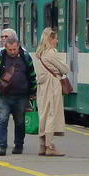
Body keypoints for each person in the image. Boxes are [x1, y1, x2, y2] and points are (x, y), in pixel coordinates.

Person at [0, 28, 37, 156]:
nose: (12, 52)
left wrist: (33, 92)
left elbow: (31, 75)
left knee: (20, 122)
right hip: (3, 95)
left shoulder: (26, 57)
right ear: (6, 48)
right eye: (10, 50)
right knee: (2, 120)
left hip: (21, 96)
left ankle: (19, 145)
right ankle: (2, 146)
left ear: (18, 46)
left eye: (14, 49)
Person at [33, 28, 69, 156]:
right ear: (50, 39)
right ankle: (50, 146)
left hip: (42, 87)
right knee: (51, 114)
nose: (57, 41)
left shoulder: (38, 54)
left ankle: (42, 145)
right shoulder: (51, 53)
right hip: (52, 85)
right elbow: (65, 69)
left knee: (43, 115)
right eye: (55, 38)